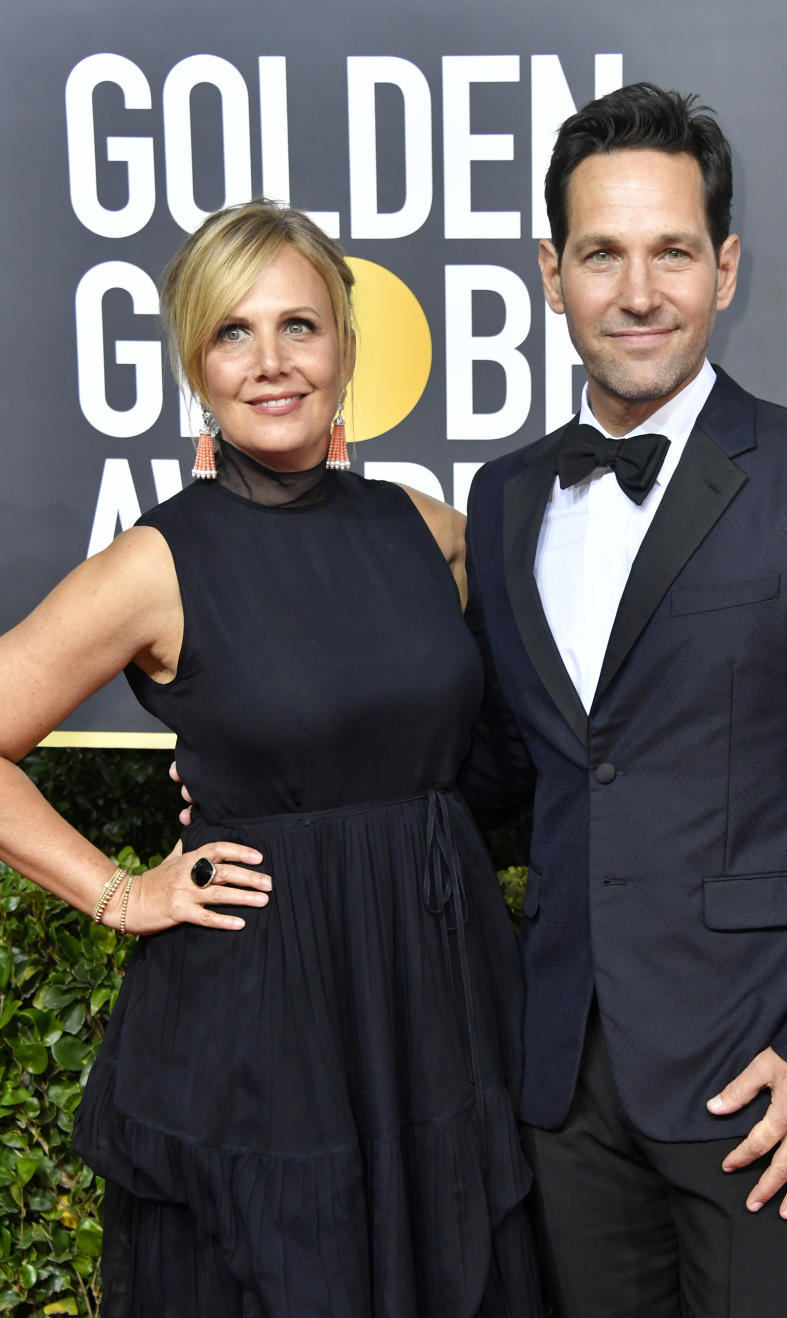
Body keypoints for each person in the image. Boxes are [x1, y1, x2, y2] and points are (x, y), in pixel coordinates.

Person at [0, 200, 541, 1317]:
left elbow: (515, 748)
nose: (271, 362)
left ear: (347, 343)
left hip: (437, 997)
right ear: (195, 363)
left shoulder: (428, 530)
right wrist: (115, 889)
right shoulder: (157, 564)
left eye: (300, 325)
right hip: (265, 1025)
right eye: (232, 333)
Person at [464, 82, 787, 1317]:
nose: (638, 291)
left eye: (672, 251)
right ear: (550, 272)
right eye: (602, 255)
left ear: (726, 268)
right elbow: (503, 766)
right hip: (567, 1088)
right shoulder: (508, 495)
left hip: (764, 1081)